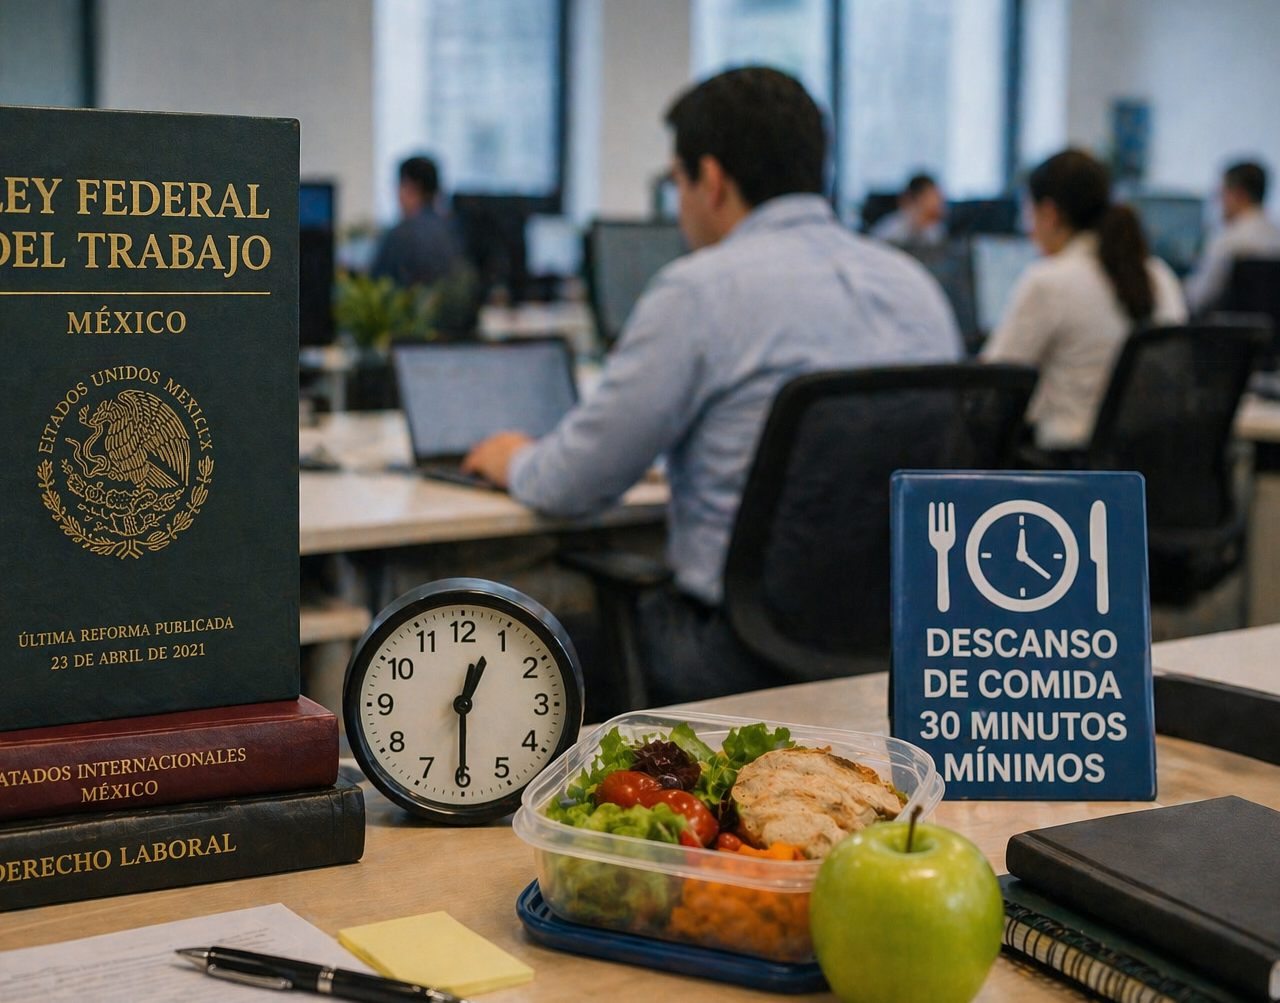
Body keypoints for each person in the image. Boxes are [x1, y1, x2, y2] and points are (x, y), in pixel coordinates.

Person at [461, 67, 960, 703]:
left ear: (713, 180)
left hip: (733, 656)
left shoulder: (698, 290)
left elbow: (572, 483)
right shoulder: (918, 289)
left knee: (524, 645)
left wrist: (514, 458)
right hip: (891, 653)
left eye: (678, 182)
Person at [982, 150, 1187, 453]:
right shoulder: (1160, 276)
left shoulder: (1048, 281)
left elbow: (989, 389)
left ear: (1048, 213)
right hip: (1150, 468)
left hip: (1068, 475)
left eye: (1027, 213)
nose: (1027, 228)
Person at [1185, 161, 1280, 312]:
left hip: (1231, 333)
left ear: (1239, 195)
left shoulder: (1228, 241)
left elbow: (1198, 299)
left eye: (1222, 193)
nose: (1219, 202)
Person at [369, 155, 462, 289]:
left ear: (410, 187)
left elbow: (374, 286)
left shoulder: (399, 236)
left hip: (408, 309)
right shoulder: (452, 230)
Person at [871, 174, 947, 246]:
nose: (940, 201)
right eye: (933, 196)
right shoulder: (895, 224)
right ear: (920, 198)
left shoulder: (935, 230)